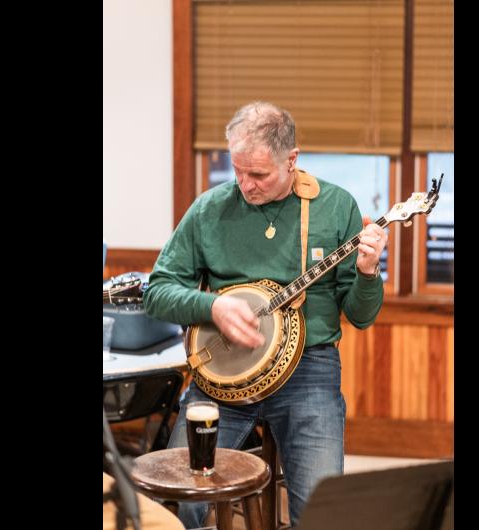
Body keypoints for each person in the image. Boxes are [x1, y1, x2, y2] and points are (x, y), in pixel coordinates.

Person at [143, 101, 386, 528]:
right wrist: (212, 305)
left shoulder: (335, 207)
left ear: (292, 160)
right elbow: (157, 291)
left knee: (323, 512)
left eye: (258, 174)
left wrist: (368, 273)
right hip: (221, 372)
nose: (245, 185)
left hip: (309, 368)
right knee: (175, 503)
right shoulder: (209, 209)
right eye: (237, 170)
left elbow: (362, 317)